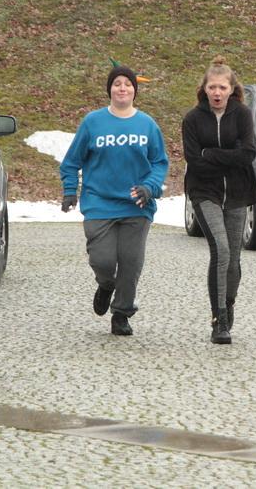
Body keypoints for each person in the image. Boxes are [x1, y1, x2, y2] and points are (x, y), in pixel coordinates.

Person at [60, 65, 169, 335]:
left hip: (136, 205)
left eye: (128, 84)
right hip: (99, 203)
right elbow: (71, 162)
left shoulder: (147, 124)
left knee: (131, 262)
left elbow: (159, 162)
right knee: (103, 261)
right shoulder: (93, 122)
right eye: (117, 83)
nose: (122, 88)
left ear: (135, 90)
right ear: (109, 89)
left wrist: (149, 187)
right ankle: (106, 284)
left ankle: (121, 313)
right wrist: (70, 190)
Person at [182, 56, 256, 344]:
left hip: (238, 192)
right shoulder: (192, 119)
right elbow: (194, 161)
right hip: (204, 192)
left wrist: (210, 154)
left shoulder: (242, 114)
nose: (217, 93)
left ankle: (229, 302)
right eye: (212, 87)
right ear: (204, 89)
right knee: (221, 250)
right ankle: (219, 319)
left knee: (234, 260)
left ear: (231, 89)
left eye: (222, 88)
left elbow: (247, 154)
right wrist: (228, 155)